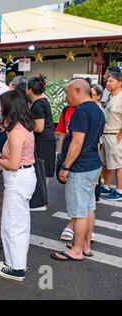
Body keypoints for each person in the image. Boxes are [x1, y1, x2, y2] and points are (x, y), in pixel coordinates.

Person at [0, 90, 36, 281]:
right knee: (16, 223)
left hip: (18, 178)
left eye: (2, 105)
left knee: (13, 225)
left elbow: (13, 164)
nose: (0, 108)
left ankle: (16, 268)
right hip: (24, 176)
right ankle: (13, 262)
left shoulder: (16, 131)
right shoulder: (24, 126)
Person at [51, 78, 105, 262]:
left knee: (79, 211)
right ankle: (86, 245)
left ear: (77, 90)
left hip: (81, 167)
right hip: (93, 164)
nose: (66, 97)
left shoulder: (81, 112)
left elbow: (77, 141)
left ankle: (76, 250)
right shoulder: (97, 109)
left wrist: (66, 166)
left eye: (67, 93)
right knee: (89, 207)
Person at [26, 75, 56, 211]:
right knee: (44, 170)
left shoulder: (38, 104)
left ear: (30, 90)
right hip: (48, 139)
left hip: (42, 140)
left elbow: (39, 127)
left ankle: (41, 201)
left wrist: (25, 125)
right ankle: (42, 200)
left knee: (41, 169)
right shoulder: (44, 101)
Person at [101, 73, 122, 201]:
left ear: (120, 83)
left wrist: (119, 135)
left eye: (111, 81)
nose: (108, 83)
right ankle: (107, 186)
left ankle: (119, 190)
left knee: (119, 164)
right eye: (107, 81)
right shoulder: (110, 96)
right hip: (106, 134)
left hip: (115, 135)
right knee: (107, 162)